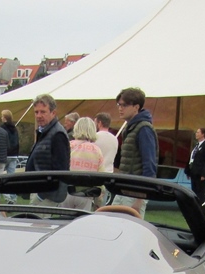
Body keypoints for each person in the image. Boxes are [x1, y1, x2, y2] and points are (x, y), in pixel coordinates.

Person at [113, 87, 158, 216]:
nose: (120, 108)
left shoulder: (144, 129)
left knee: (129, 226)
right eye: (119, 105)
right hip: (124, 188)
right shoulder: (130, 127)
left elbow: (149, 166)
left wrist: (140, 199)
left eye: (124, 105)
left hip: (135, 192)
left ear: (136, 107)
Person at [25, 94, 70, 205]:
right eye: (36, 112)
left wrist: (42, 195)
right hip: (40, 190)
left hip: (47, 195)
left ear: (53, 113)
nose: (39, 116)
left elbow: (61, 170)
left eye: (43, 112)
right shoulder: (45, 132)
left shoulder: (57, 134)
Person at [62, 117, 104, 211]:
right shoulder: (96, 150)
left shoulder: (68, 146)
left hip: (66, 191)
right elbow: (101, 177)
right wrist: (98, 200)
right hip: (86, 194)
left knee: (64, 218)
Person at [185, 127, 205, 204]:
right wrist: (188, 171)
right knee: (194, 191)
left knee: (199, 192)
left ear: (203, 134)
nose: (196, 134)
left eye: (198, 132)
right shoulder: (197, 145)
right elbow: (191, 158)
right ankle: (194, 206)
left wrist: (203, 174)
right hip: (193, 172)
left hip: (200, 173)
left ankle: (200, 207)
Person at [1, 109, 20, 204]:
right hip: (14, 155)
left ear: (4, 118)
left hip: (5, 154)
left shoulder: (2, 128)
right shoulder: (15, 128)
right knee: (11, 178)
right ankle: (13, 198)